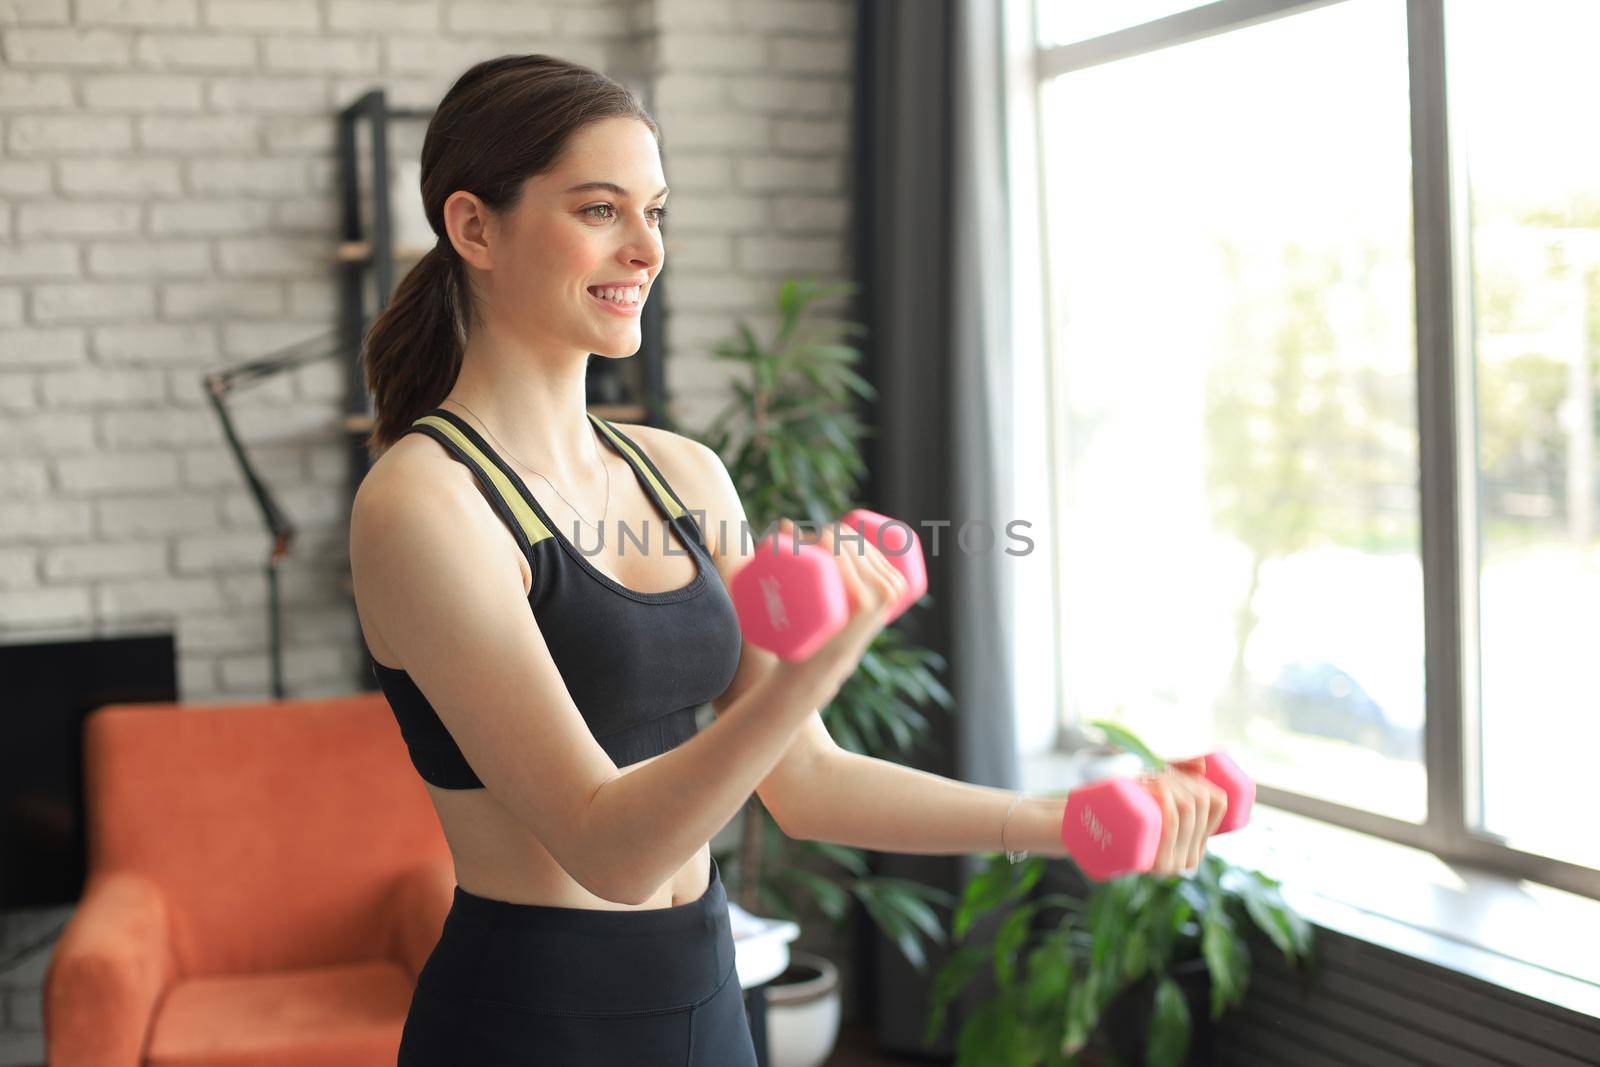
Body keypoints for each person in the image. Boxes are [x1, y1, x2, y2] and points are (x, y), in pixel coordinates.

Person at [348, 53, 1227, 1066]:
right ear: (473, 227)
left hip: (704, 988)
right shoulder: (422, 502)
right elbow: (610, 845)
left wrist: (1067, 820)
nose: (645, 247)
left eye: (656, 211)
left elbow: (804, 779)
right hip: (534, 1015)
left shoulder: (681, 473)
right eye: (600, 209)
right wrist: (817, 660)